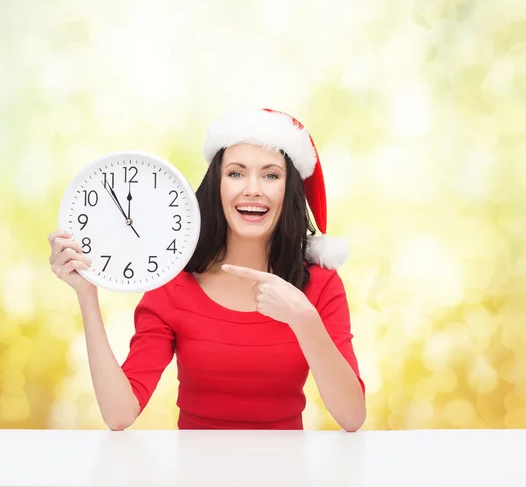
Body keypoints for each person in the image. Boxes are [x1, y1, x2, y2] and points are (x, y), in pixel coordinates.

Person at [48, 108, 366, 431]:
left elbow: (352, 417)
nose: (252, 189)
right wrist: (87, 294)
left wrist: (304, 318)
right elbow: (119, 414)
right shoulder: (173, 282)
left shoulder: (322, 284)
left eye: (271, 175)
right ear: (217, 184)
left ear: (290, 189)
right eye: (236, 173)